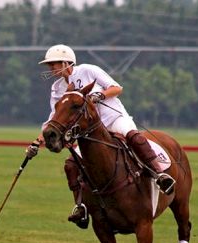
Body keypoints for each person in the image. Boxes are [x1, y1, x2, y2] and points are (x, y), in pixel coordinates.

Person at [26, 44, 176, 228]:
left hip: (113, 119)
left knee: (134, 137)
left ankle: (159, 175)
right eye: (50, 65)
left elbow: (116, 88)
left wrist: (99, 96)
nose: (51, 68)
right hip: (90, 131)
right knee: (71, 165)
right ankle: (80, 206)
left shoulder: (88, 70)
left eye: (54, 64)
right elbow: (54, 119)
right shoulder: (57, 88)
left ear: (66, 62)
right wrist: (37, 141)